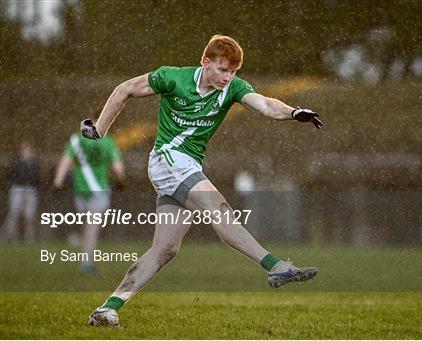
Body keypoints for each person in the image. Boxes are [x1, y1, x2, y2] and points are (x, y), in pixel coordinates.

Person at [84, 35, 321, 327]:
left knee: (165, 250)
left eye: (233, 71)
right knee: (219, 210)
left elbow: (265, 104)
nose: (228, 77)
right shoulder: (173, 77)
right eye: (223, 70)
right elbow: (125, 89)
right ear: (205, 62)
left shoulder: (233, 88)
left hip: (185, 166)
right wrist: (99, 129)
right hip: (168, 159)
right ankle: (275, 266)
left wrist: (293, 112)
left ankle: (108, 308)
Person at [53, 120, 125, 273]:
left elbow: (66, 160)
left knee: (86, 225)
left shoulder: (77, 140)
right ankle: (86, 263)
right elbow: (118, 168)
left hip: (80, 189)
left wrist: (58, 181)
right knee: (92, 227)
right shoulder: (108, 142)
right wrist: (121, 180)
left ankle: (85, 255)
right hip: (99, 189)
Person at [1, 141, 40, 243]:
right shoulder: (15, 162)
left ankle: (29, 238)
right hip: (17, 189)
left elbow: (36, 178)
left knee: (29, 216)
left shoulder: (34, 163)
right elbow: (9, 176)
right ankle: (13, 238)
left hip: (30, 189)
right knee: (14, 214)